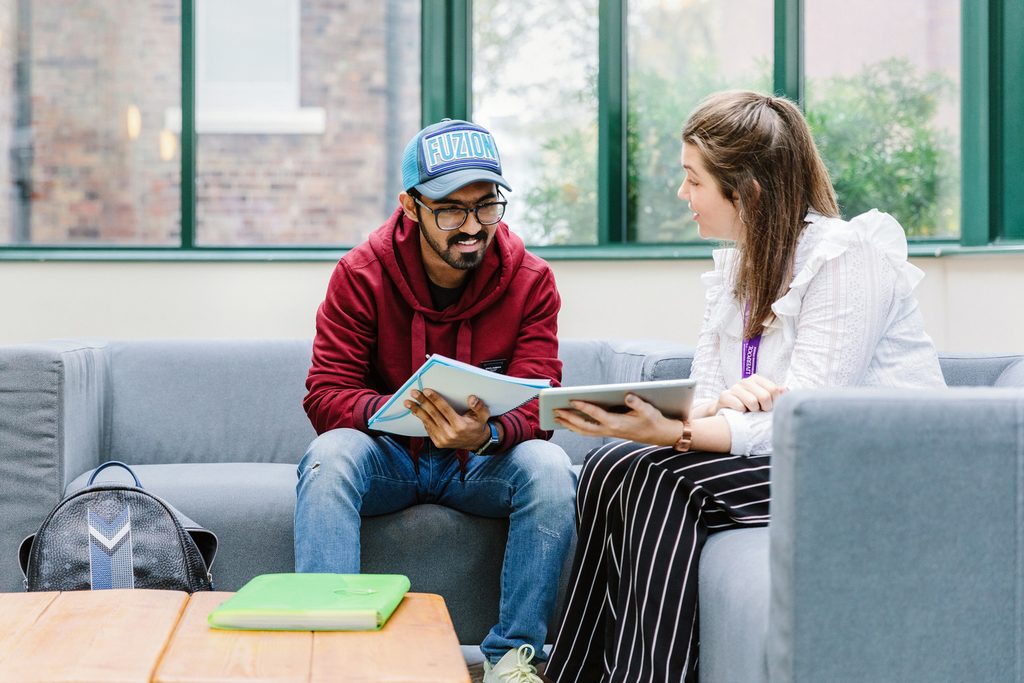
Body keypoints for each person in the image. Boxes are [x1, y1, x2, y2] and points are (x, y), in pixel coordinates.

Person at [544, 90, 946, 682]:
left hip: (869, 468)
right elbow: (711, 393)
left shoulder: (845, 259)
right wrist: (707, 412)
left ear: (748, 190)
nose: (683, 195)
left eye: (693, 181)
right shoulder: (744, 268)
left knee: (658, 478)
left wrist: (682, 431)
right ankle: (571, 675)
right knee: (609, 463)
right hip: (793, 455)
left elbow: (809, 420)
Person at [295, 118, 575, 682]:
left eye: (486, 206)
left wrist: (488, 434)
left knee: (550, 467)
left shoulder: (531, 280)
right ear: (410, 204)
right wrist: (399, 412)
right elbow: (325, 393)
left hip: (479, 463)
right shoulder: (360, 275)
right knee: (329, 459)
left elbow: (541, 398)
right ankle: (331, 660)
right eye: (451, 209)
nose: (472, 227)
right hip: (389, 456)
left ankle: (515, 661)